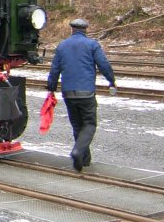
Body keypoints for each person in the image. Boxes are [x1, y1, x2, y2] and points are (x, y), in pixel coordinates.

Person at [46, 18, 117, 172]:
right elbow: (104, 65)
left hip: (68, 93)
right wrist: (111, 81)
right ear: (86, 30)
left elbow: (54, 70)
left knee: (78, 125)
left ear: (72, 30)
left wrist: (51, 88)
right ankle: (77, 152)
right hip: (86, 93)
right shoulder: (92, 45)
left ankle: (84, 159)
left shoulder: (62, 45)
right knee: (90, 124)